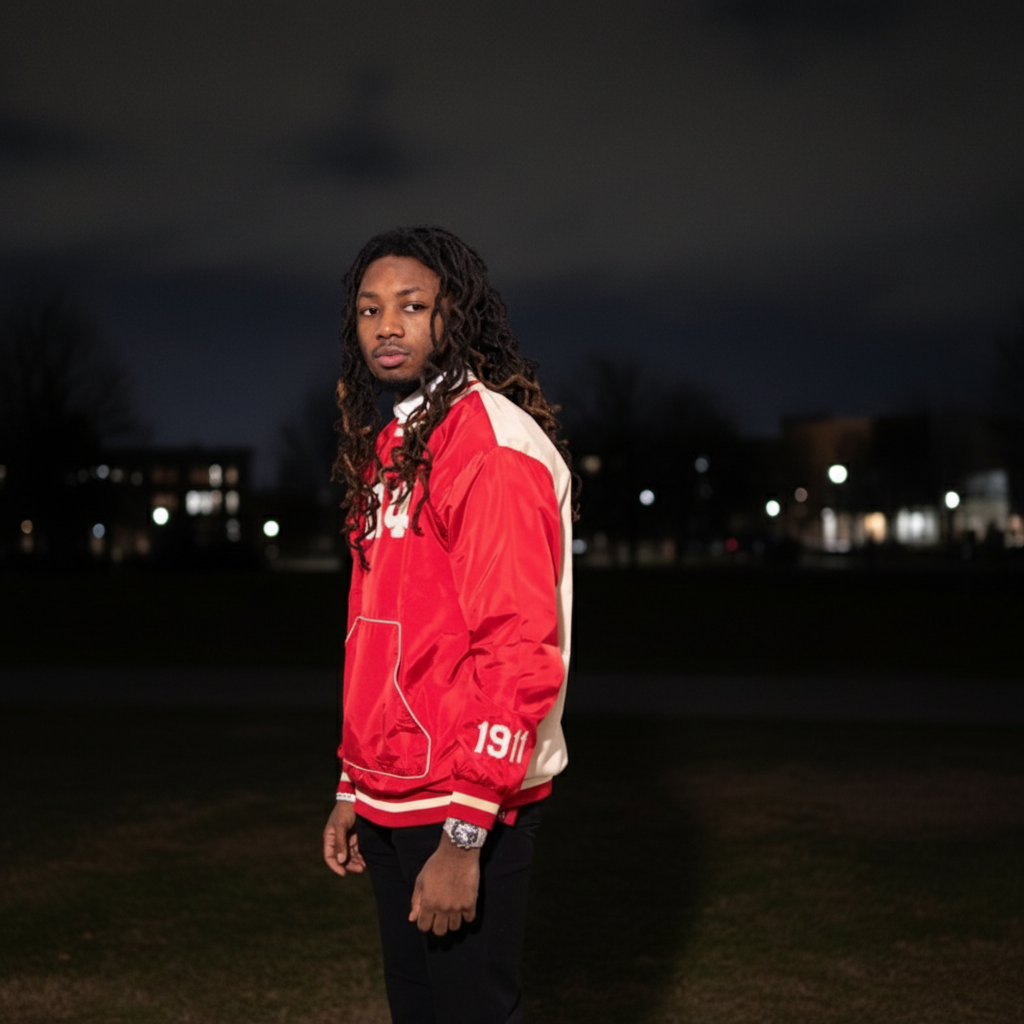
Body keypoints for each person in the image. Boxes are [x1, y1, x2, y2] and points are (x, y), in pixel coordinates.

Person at [322, 226, 576, 1024]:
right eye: (370, 309)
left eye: (411, 305)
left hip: (467, 799)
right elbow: (375, 629)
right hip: (392, 791)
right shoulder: (394, 444)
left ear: (452, 314)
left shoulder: (490, 445)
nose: (386, 326)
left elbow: (517, 646)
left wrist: (467, 835)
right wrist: (352, 784)